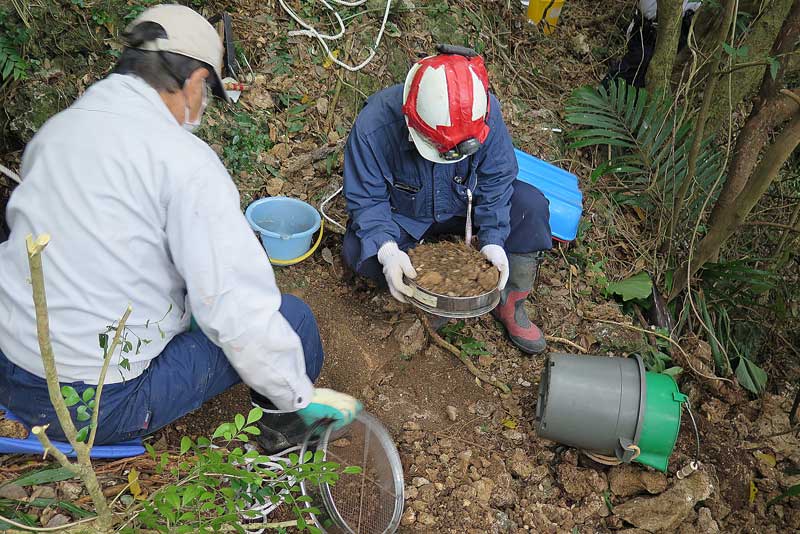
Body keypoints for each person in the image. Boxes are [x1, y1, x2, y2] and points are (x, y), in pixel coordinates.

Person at [0, 5, 360, 452]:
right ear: (193, 82)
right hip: (91, 407)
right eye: (207, 92)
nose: (203, 106)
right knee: (294, 321)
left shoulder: (57, 132)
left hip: (11, 370)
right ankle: (283, 447)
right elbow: (238, 312)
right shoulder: (183, 162)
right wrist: (300, 395)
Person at [342, 45, 553, 355]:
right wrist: (387, 251)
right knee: (356, 248)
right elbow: (366, 198)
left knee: (531, 207)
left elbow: (497, 178)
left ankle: (509, 301)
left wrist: (494, 238)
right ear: (411, 119)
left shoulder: (484, 110)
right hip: (406, 216)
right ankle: (423, 292)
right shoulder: (375, 125)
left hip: (462, 207)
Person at [605, 0, 701, 88]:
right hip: (648, 28)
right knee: (634, 66)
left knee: (657, 76)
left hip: (682, 29)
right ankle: (601, 95)